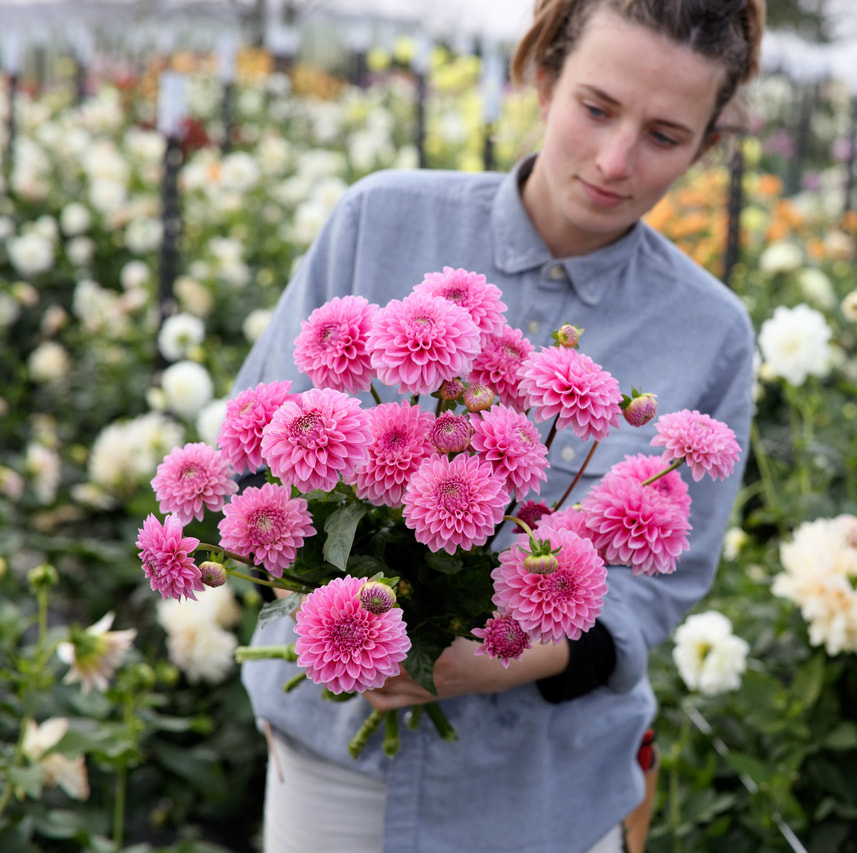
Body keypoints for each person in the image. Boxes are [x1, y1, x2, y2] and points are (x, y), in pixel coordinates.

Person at [232, 0, 764, 850]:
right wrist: (353, 607)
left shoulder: (710, 330)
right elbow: (256, 452)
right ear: (545, 77)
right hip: (339, 769)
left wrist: (502, 658)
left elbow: (659, 585)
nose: (615, 160)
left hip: (546, 791)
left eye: (665, 136)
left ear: (707, 145)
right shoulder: (382, 220)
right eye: (596, 108)